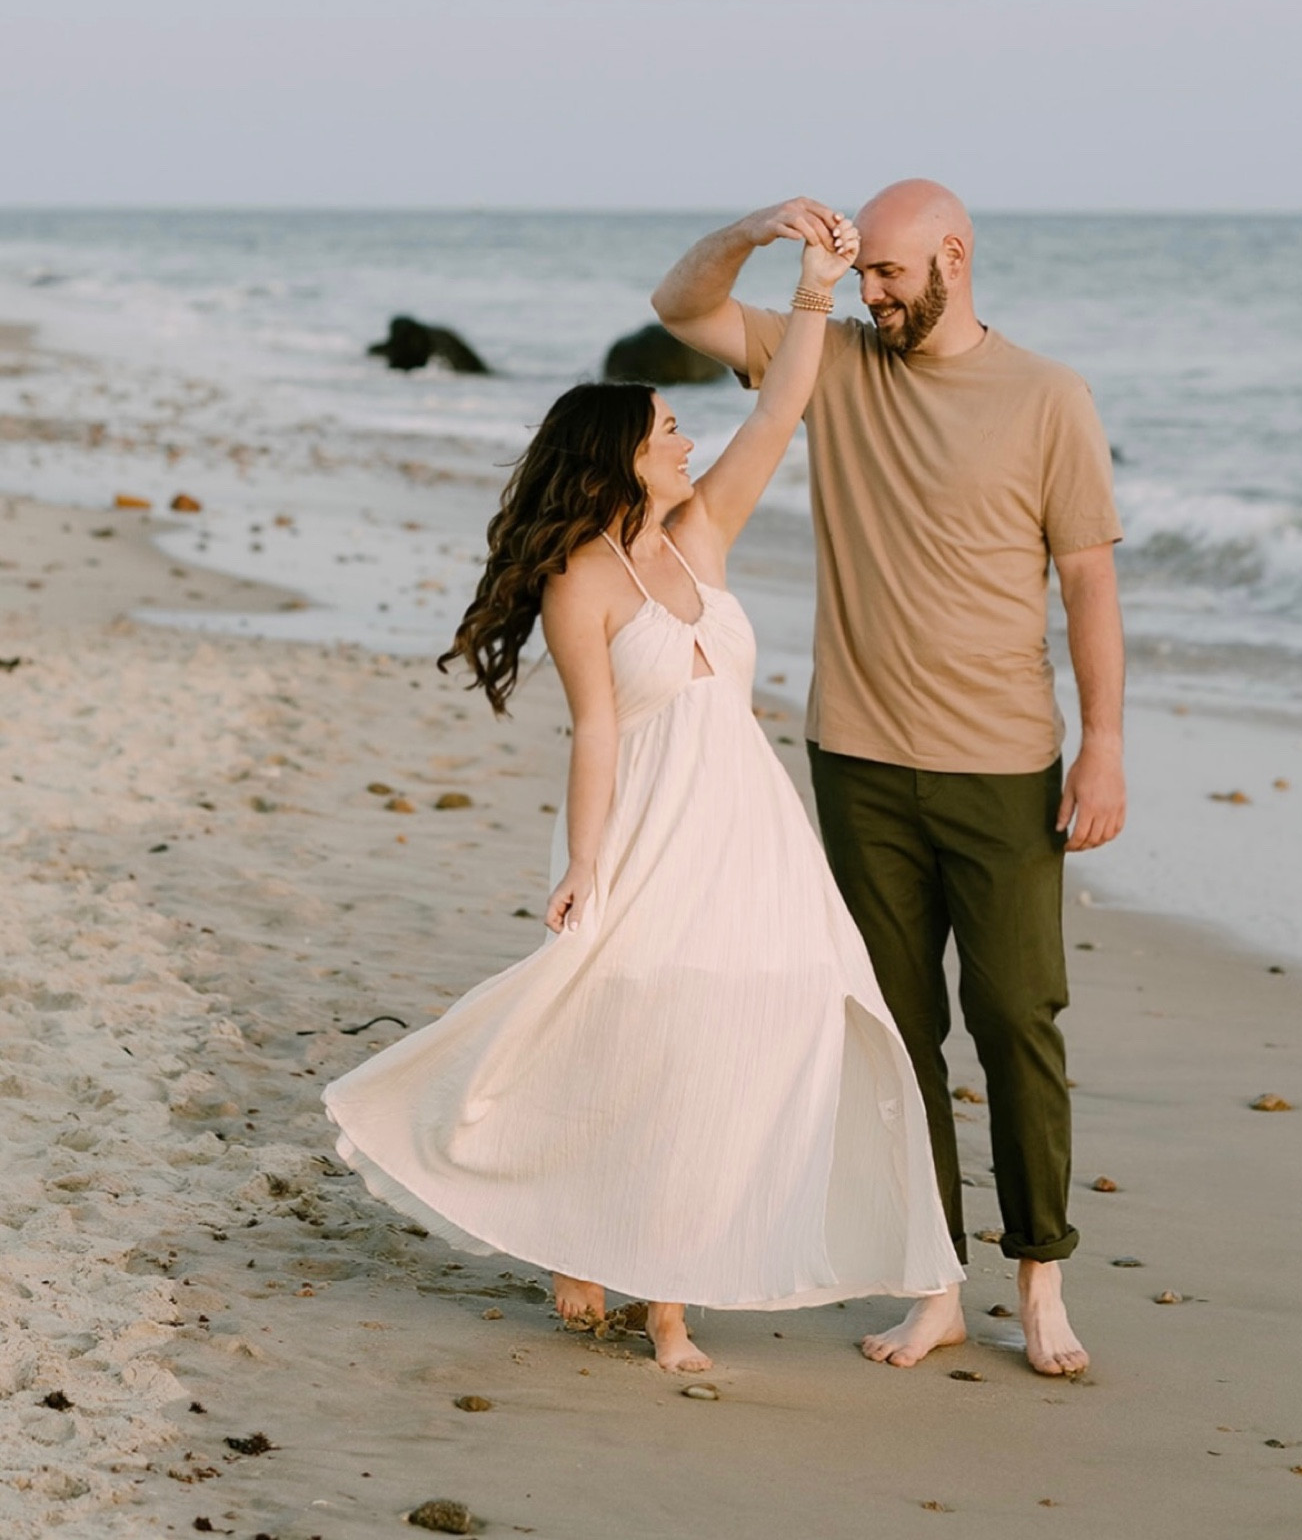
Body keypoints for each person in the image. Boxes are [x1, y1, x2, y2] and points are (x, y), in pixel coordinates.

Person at [323, 220, 965, 1377]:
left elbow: (780, 412)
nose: (686, 437)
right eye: (669, 429)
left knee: (756, 1024)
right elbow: (599, 728)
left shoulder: (698, 533)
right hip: (650, 822)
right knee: (631, 1028)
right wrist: (586, 861)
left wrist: (813, 290)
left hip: (752, 824)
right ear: (621, 451)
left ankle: (646, 1263)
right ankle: (642, 1290)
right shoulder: (581, 574)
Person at [651, 181, 1126, 1378]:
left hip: (1006, 763)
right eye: (863, 275)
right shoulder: (833, 364)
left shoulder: (1049, 397)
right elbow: (679, 304)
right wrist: (760, 229)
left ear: (953, 258)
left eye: (890, 276)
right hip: (858, 757)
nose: (871, 294)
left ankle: (1041, 1278)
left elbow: (1086, 586)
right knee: (897, 1033)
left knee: (1018, 1019)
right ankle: (934, 1283)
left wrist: (1105, 741)